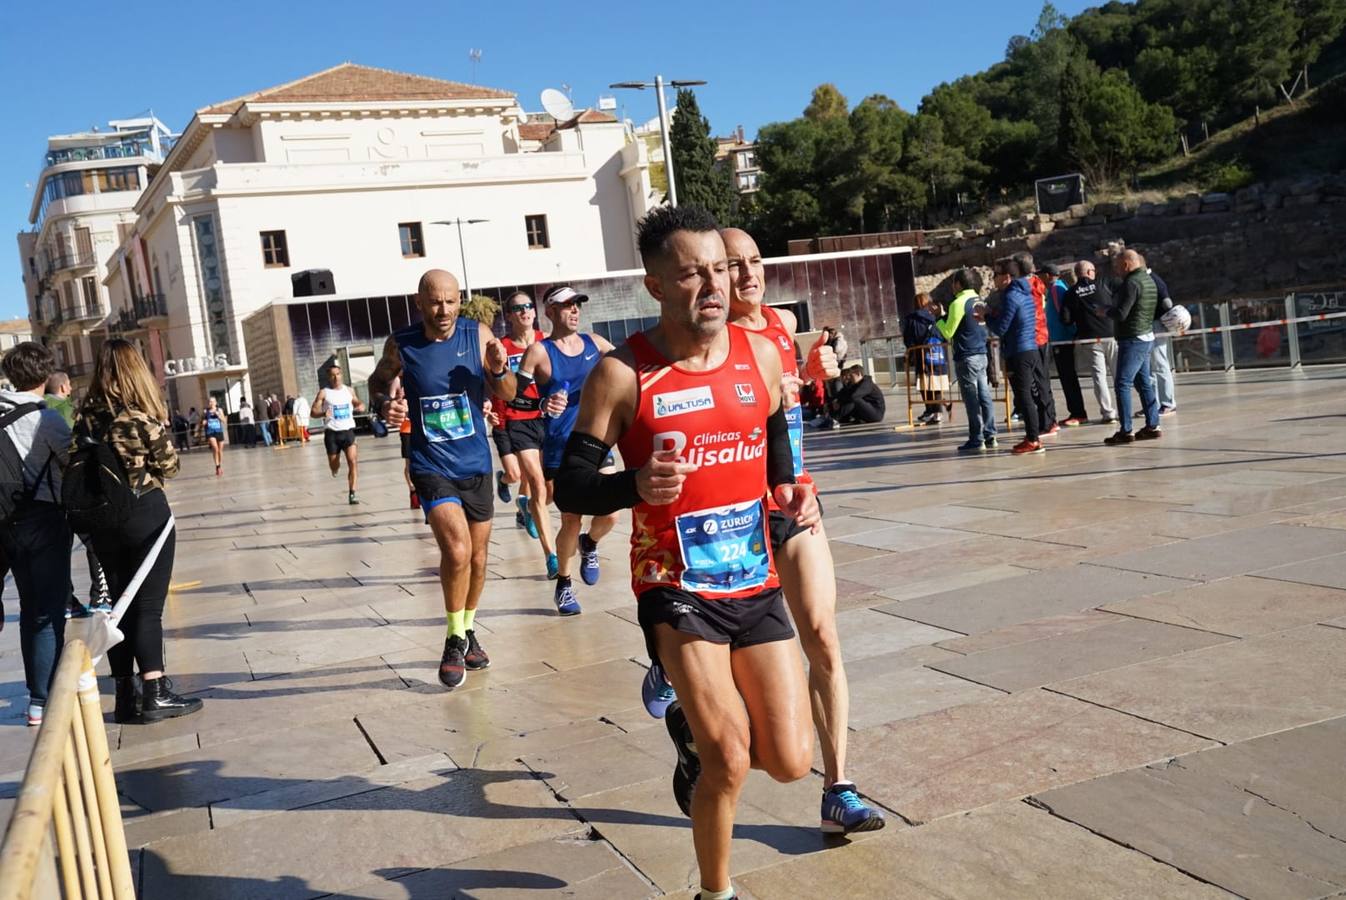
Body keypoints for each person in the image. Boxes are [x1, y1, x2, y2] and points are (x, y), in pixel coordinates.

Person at [554, 205, 816, 900]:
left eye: (720, 271)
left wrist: (789, 489)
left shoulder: (757, 352)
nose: (714, 287)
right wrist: (632, 484)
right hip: (674, 586)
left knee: (790, 762)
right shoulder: (622, 373)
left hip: (753, 579)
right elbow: (571, 484)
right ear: (656, 286)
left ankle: (686, 731)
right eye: (693, 275)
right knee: (730, 760)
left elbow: (773, 433)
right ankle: (715, 891)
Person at [717, 225, 885, 835]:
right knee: (736, 672)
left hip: (792, 502)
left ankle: (839, 787)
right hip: (733, 516)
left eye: (755, 261)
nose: (747, 274)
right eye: (733, 264)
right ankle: (693, 724)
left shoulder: (783, 328)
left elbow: (790, 422)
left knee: (821, 633)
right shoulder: (712, 341)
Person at [370, 269, 513, 689]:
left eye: (451, 301)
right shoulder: (403, 343)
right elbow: (378, 383)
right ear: (420, 303)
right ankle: (453, 639)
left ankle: (467, 628)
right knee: (457, 550)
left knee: (480, 559)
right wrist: (385, 407)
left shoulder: (478, 334)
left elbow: (505, 393)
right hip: (431, 464)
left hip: (475, 464)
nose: (444, 309)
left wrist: (501, 370)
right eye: (435, 301)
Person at [73, 339, 201, 724]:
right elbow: (171, 466)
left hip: (102, 520)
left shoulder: (85, 419)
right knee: (147, 606)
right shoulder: (138, 417)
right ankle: (156, 691)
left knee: (117, 605)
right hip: (144, 512)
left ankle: (125, 694)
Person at [515, 285, 618, 615]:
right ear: (550, 312)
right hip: (561, 447)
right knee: (571, 520)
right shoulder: (539, 352)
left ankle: (591, 544)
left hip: (596, 440)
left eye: (577, 305)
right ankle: (564, 582)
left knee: (612, 512)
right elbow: (513, 398)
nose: (574, 310)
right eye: (566, 305)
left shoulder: (596, 343)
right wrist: (544, 403)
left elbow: (630, 370)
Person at [0, 342, 72, 726]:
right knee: (44, 611)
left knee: (23, 608)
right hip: (41, 520)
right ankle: (42, 700)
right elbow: (70, 462)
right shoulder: (49, 419)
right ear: (45, 376)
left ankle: (39, 697)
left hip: (2, 521)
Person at [493, 291, 550, 546]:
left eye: (529, 306)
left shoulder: (545, 341)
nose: (525, 311)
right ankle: (505, 482)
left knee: (538, 481)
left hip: (542, 416)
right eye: (518, 308)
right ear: (509, 316)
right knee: (517, 475)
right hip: (509, 418)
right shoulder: (501, 347)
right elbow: (490, 383)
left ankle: (524, 508)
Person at [987, 256, 1051, 455]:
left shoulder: (1010, 296)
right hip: (1030, 347)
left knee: (1024, 397)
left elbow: (1001, 328)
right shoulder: (1025, 292)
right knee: (1028, 395)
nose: (993, 279)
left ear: (1006, 277)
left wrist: (986, 316)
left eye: (995, 275)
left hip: (1019, 352)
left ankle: (1033, 439)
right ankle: (1032, 435)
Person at [936, 267, 998, 453]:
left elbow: (948, 332)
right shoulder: (979, 299)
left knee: (971, 399)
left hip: (966, 356)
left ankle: (976, 438)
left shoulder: (958, 303)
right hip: (981, 353)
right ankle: (990, 434)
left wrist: (939, 317)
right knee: (985, 395)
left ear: (958, 284)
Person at [1104, 250, 1162, 444]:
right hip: (1146, 335)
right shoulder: (1149, 280)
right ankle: (1153, 425)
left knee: (1122, 383)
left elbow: (1122, 313)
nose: (1116, 270)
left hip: (1132, 338)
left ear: (1126, 265)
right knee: (1144, 382)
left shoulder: (1131, 283)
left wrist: (1105, 311)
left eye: (1118, 266)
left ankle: (1126, 430)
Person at [1061, 260, 1118, 424]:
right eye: (1093, 270)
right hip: (1110, 334)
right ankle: (1124, 408)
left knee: (1099, 377)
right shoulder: (1102, 284)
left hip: (1089, 338)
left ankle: (1108, 413)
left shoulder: (1071, 293)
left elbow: (1066, 319)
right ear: (1089, 272)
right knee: (1118, 374)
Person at [1016, 251, 1059, 436]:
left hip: (1032, 338)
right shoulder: (1038, 284)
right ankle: (1051, 419)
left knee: (1037, 383)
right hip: (1042, 335)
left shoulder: (1024, 287)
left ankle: (1046, 422)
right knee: (1043, 381)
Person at [1041, 264, 1088, 425]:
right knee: (1066, 376)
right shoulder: (1058, 287)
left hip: (1063, 338)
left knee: (1068, 376)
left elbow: (1064, 312)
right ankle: (1075, 411)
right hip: (1059, 338)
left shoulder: (1056, 289)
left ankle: (1078, 412)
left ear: (1048, 275)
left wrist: (1070, 332)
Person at [312, 362, 364, 505]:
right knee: (334, 466)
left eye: (338, 374)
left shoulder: (349, 390)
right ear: (329, 378)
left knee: (353, 462)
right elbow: (313, 412)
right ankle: (335, 467)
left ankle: (352, 493)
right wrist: (323, 413)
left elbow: (356, 401)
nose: (336, 377)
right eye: (333, 375)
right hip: (332, 434)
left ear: (342, 375)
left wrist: (360, 405)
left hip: (348, 431)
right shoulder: (324, 393)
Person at [902, 294, 946, 424]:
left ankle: (929, 410)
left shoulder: (911, 319)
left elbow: (908, 339)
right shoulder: (935, 317)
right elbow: (944, 335)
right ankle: (938, 412)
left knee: (924, 384)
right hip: (937, 354)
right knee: (936, 383)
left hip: (920, 355)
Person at [1147, 263, 1179, 416]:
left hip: (1155, 324)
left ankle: (1167, 403)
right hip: (1151, 324)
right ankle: (1154, 402)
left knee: (1159, 363)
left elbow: (1167, 303)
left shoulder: (1153, 280)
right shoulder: (1153, 279)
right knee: (1151, 366)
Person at [200, 396, 226, 475]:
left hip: (219, 431)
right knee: (215, 448)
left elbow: (224, 421)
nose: (211, 403)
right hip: (210, 432)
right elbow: (202, 422)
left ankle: (219, 465)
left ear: (215, 402)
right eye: (209, 402)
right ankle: (217, 466)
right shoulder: (205, 411)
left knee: (220, 450)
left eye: (212, 401)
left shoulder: (219, 410)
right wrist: (204, 422)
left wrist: (218, 415)